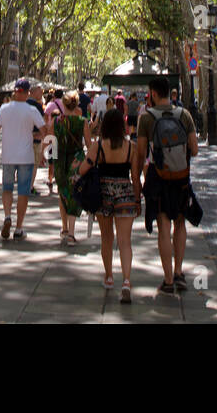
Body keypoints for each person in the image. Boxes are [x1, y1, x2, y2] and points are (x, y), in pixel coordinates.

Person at [137, 79, 198, 297]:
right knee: (180, 222)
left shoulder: (146, 118)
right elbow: (195, 149)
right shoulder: (184, 115)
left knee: (163, 225)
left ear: (152, 93)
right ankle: (179, 272)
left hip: (159, 177)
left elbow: (141, 153)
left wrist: (137, 182)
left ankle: (168, 279)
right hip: (181, 177)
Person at [77, 107, 141, 302]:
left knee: (106, 237)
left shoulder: (98, 146)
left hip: (103, 193)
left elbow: (82, 169)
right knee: (125, 241)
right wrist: (137, 200)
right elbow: (136, 178)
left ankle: (109, 276)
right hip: (125, 194)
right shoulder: (131, 147)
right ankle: (127, 281)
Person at [0, 78, 48, 241]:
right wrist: (44, 150)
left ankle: (8, 215)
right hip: (26, 157)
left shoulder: (4, 108)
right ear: (28, 92)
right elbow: (45, 131)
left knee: (7, 189)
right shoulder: (31, 110)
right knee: (23, 192)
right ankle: (18, 228)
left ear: (15, 91)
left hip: (8, 156)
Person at [52, 92, 87, 244]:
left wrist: (50, 163)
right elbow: (90, 144)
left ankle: (64, 227)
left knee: (63, 193)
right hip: (77, 161)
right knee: (74, 195)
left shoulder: (56, 121)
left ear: (64, 104)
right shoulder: (82, 121)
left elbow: (52, 142)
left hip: (60, 161)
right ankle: (71, 233)